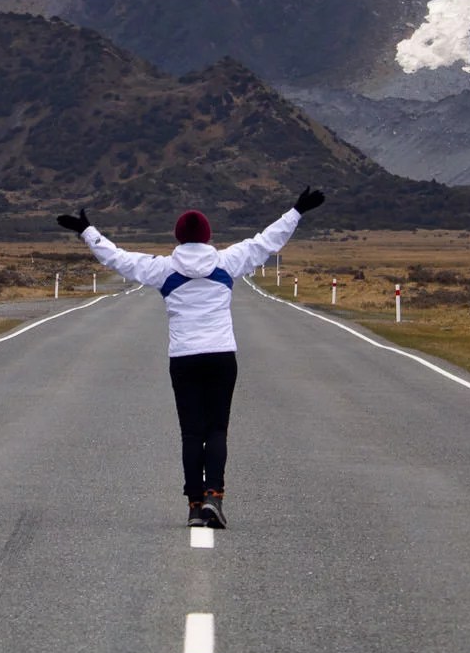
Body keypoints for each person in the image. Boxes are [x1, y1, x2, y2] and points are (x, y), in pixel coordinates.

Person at [57, 186, 326, 528]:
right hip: (221, 356)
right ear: (208, 236)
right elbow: (266, 241)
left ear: (178, 237)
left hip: (184, 358)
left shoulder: (164, 269)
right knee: (216, 429)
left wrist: (87, 231)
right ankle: (215, 495)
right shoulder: (227, 262)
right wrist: (297, 210)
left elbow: (118, 258)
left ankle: (195, 505)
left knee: (190, 432)